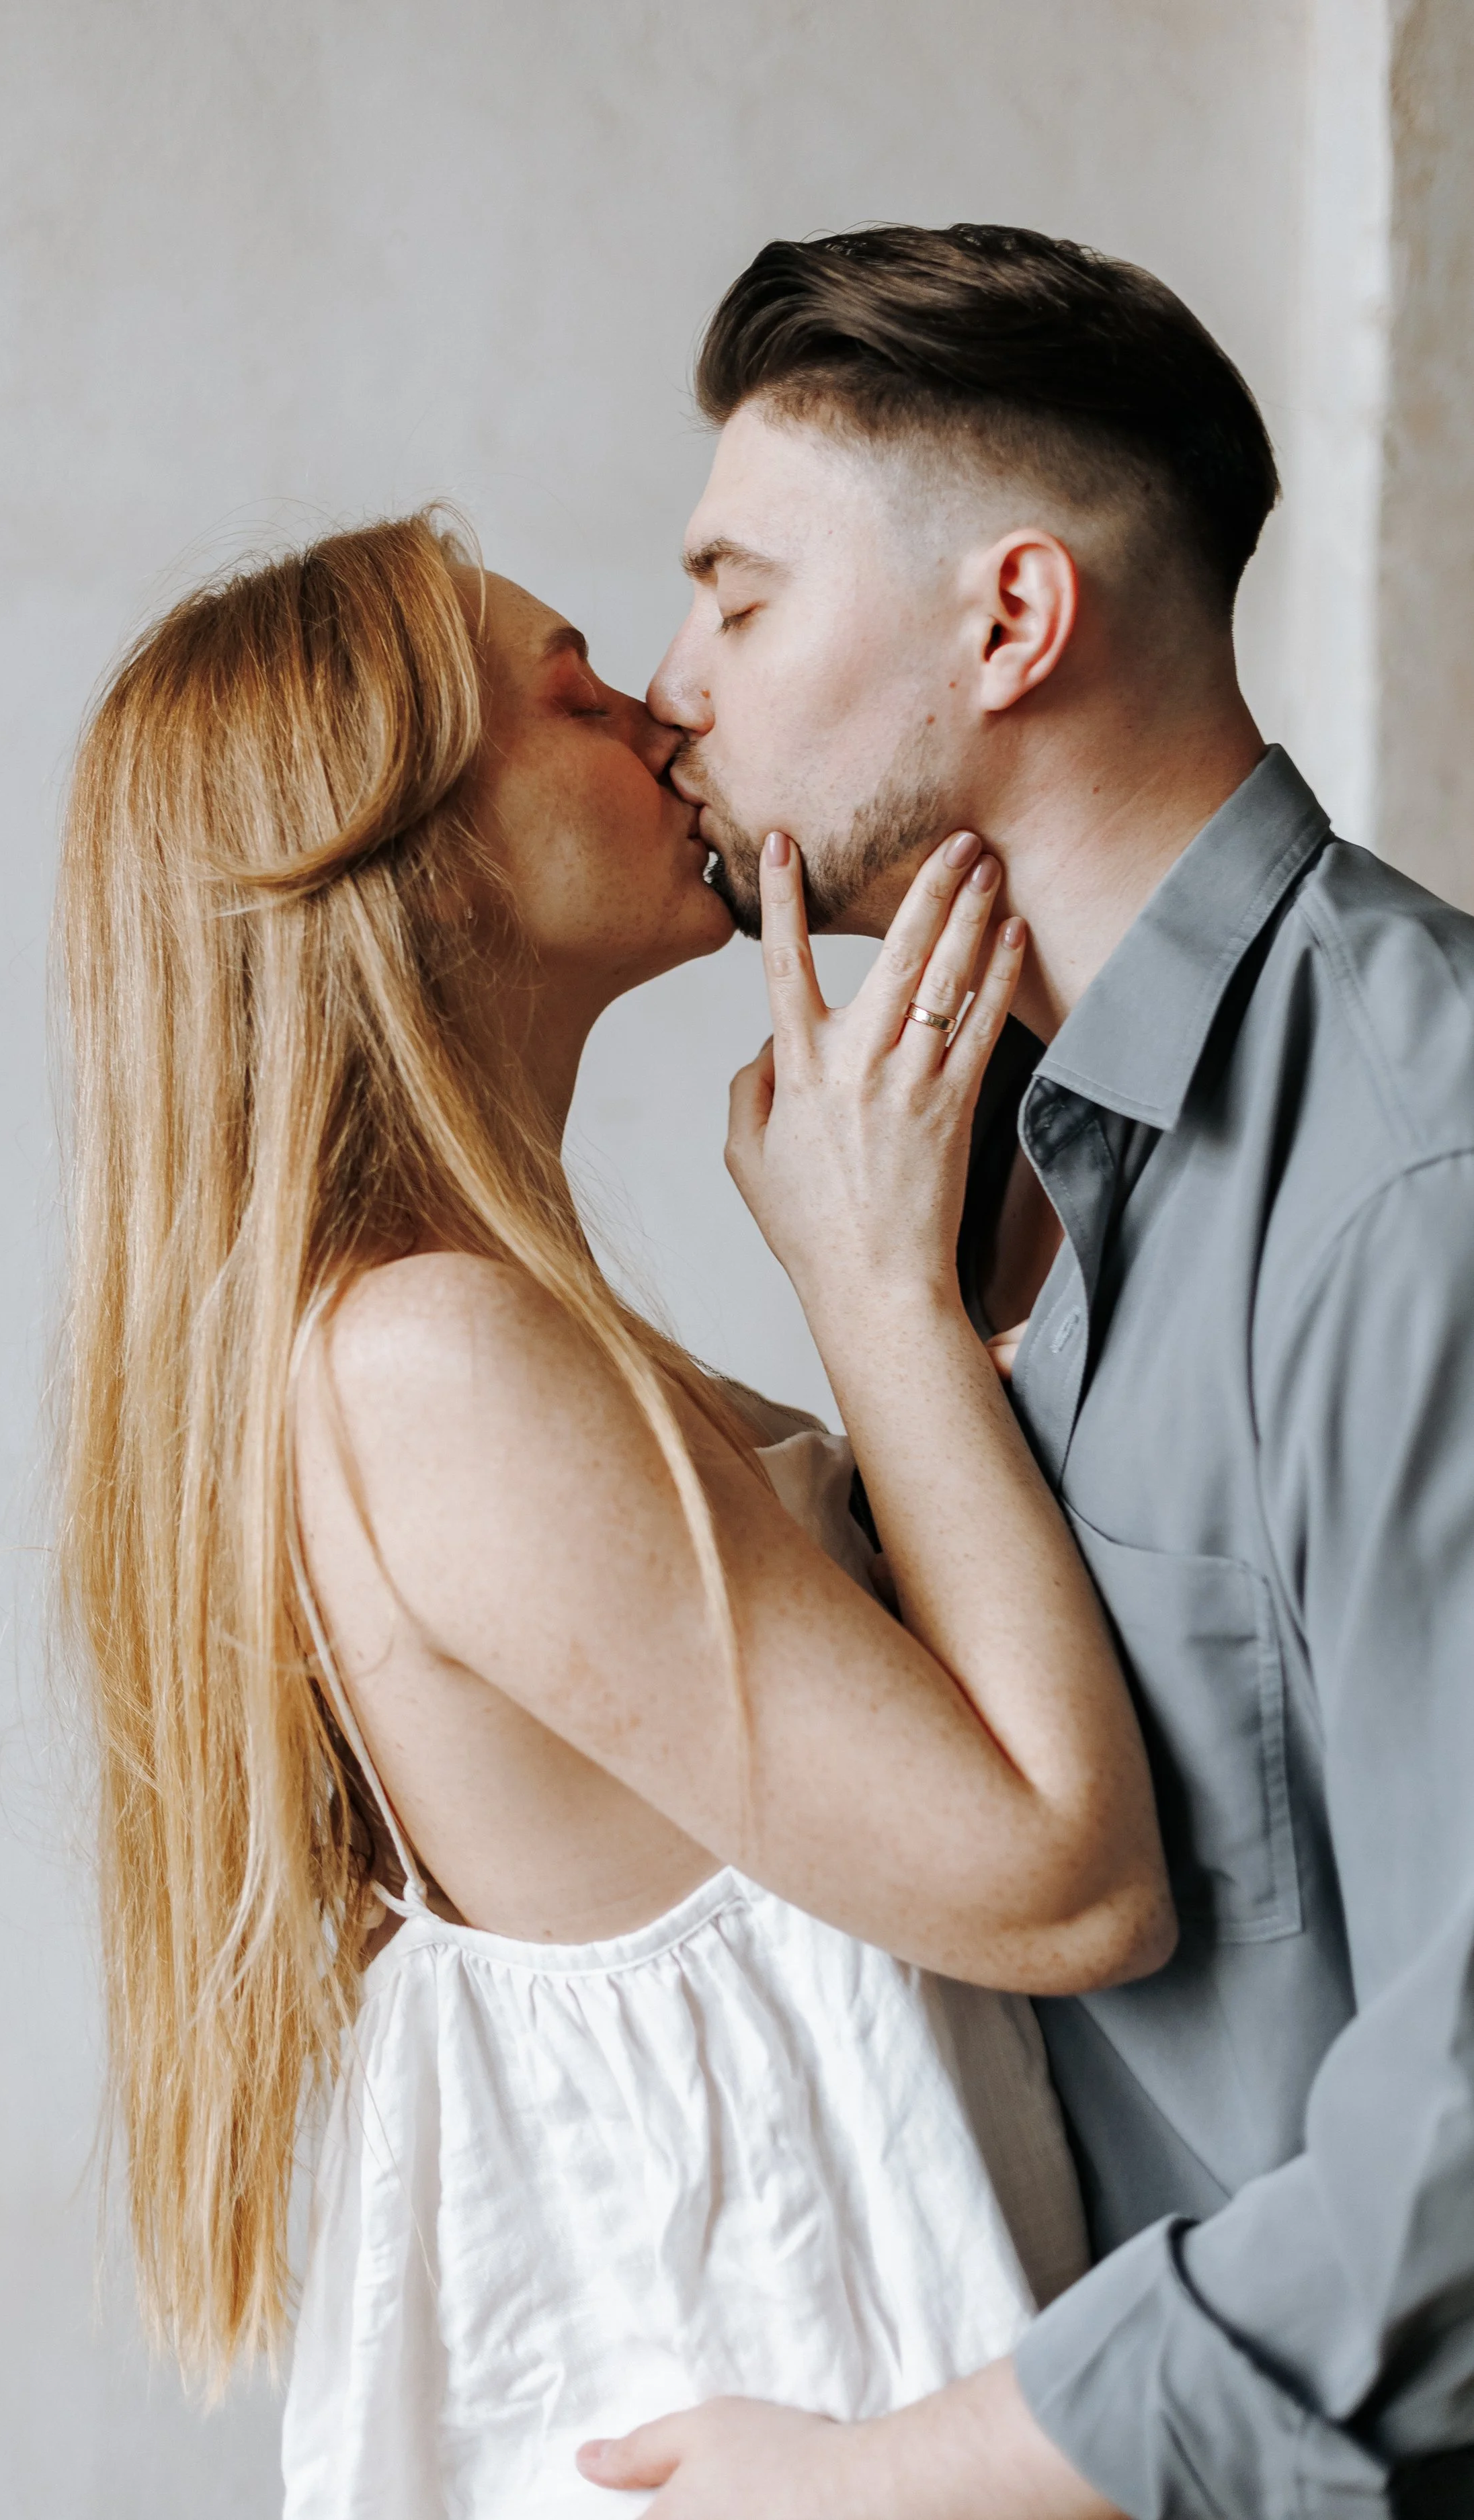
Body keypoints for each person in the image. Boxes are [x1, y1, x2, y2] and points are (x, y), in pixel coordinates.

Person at [54, 519, 1172, 2518]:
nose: (666, 709)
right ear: (403, 851)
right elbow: (1064, 1885)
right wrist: (871, 1291)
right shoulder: (429, 1363)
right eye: (570, 692)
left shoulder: (468, 1330)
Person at [578, 225, 1474, 2519]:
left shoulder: (1416, 1174)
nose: (668, 686)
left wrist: (900, 2471)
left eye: (739, 597)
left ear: (1010, 619)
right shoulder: (934, 1149)